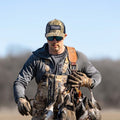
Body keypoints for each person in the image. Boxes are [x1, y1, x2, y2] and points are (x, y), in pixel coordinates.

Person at [13, 19, 101, 120]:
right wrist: (20, 99)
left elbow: (96, 75)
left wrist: (89, 81)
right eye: (51, 37)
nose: (54, 41)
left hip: (69, 114)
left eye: (58, 37)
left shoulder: (76, 57)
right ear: (46, 36)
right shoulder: (36, 58)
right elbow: (20, 81)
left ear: (65, 36)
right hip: (42, 114)